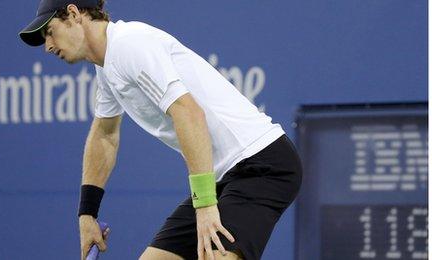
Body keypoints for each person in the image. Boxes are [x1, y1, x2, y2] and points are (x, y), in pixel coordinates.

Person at [19, 1, 302, 259]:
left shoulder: (130, 45)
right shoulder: (106, 67)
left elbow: (189, 113)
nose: (48, 46)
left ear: (73, 14)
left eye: (50, 32)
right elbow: (105, 134)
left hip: (261, 163)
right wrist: (87, 215)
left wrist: (204, 205)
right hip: (221, 177)